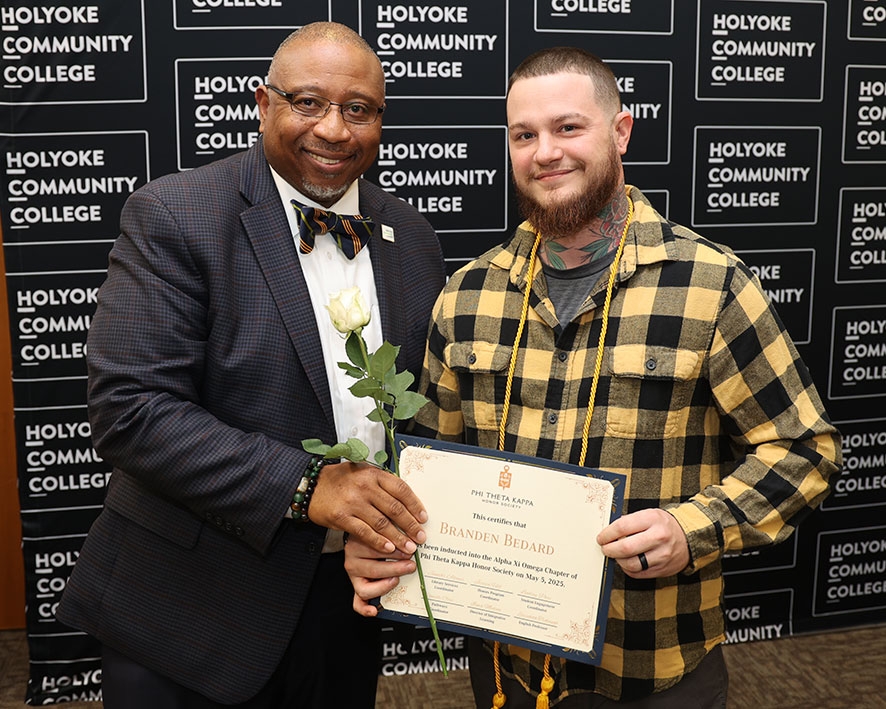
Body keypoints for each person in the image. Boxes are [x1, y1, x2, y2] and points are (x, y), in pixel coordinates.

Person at [344, 47, 841, 707]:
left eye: (567, 127)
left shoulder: (711, 284)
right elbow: (428, 466)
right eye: (524, 134)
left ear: (620, 130)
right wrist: (384, 543)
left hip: (652, 664)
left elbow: (804, 450)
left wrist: (690, 527)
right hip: (505, 662)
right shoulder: (468, 294)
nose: (544, 151)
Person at [55, 22, 446, 708]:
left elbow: (419, 409)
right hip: (189, 610)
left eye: (357, 109)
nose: (332, 129)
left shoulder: (411, 237)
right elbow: (131, 411)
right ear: (263, 104)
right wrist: (305, 486)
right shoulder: (175, 214)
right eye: (307, 102)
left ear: (379, 121)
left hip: (345, 603)